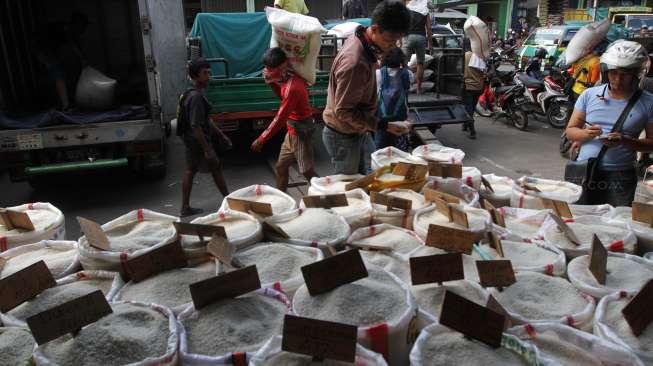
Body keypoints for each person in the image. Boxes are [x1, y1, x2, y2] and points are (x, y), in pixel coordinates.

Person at [322, 1, 411, 175]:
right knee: (350, 189)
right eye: (389, 40)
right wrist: (384, 126)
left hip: (357, 130)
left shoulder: (362, 38)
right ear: (375, 29)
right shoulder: (355, 63)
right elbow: (344, 112)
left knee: (368, 175)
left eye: (397, 41)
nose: (392, 46)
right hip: (343, 135)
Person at [565, 40, 653, 207]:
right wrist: (586, 134)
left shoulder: (649, 102)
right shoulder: (589, 95)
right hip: (584, 170)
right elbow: (570, 131)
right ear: (606, 71)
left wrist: (625, 141)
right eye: (613, 73)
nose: (618, 80)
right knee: (580, 218)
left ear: (637, 74)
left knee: (615, 223)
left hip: (620, 176)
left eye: (625, 74)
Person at [251, 47, 317, 192]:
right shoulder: (287, 79)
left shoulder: (293, 86)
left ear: (281, 67)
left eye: (270, 68)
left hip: (300, 131)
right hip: (292, 129)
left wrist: (262, 139)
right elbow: (283, 100)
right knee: (281, 167)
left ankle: (328, 199)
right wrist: (272, 83)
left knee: (307, 171)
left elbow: (281, 116)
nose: (267, 71)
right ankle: (283, 200)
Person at [177, 58, 231, 217]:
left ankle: (185, 207)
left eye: (209, 73)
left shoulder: (189, 91)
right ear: (195, 75)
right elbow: (196, 125)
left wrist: (221, 135)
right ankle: (229, 201)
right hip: (196, 140)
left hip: (190, 139)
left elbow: (205, 119)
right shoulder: (195, 97)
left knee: (191, 170)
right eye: (204, 73)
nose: (208, 76)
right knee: (214, 167)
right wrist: (208, 150)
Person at [32, 12, 89, 111]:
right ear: (77, 24)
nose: (84, 30)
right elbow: (74, 46)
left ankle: (61, 101)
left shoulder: (68, 30)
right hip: (41, 48)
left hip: (47, 49)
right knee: (58, 73)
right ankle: (65, 105)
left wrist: (82, 59)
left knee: (59, 72)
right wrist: (83, 60)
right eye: (83, 26)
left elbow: (75, 47)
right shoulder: (67, 30)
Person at [375, 48, 413, 150]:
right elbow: (408, 89)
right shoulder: (408, 74)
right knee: (400, 152)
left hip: (382, 120)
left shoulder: (378, 74)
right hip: (401, 118)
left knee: (381, 151)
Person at [402, 0, 432, 95]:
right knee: (420, 63)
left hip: (408, 36)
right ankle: (418, 88)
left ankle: (403, 87)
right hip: (421, 37)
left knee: (404, 63)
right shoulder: (425, 10)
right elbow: (429, 28)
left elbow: (403, 25)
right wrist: (430, 44)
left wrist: (399, 40)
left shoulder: (407, 9)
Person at [462, 38, 485, 139]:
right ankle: (466, 125)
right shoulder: (480, 56)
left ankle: (472, 131)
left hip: (468, 87)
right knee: (472, 107)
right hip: (479, 87)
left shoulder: (465, 56)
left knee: (469, 109)